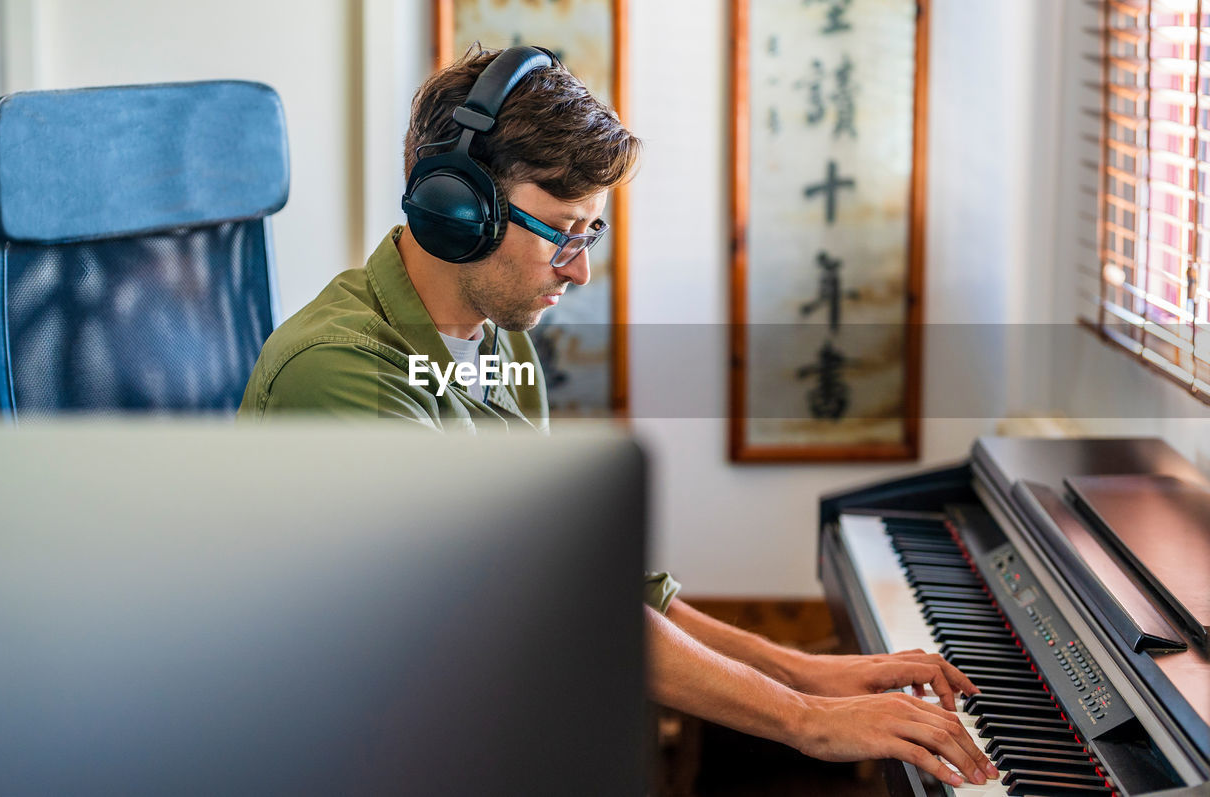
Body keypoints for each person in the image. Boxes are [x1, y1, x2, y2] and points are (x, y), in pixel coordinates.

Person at [238, 46, 998, 788]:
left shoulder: (497, 340)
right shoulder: (338, 375)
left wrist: (805, 670)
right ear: (456, 210)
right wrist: (803, 719)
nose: (580, 268)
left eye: (589, 232)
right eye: (563, 231)